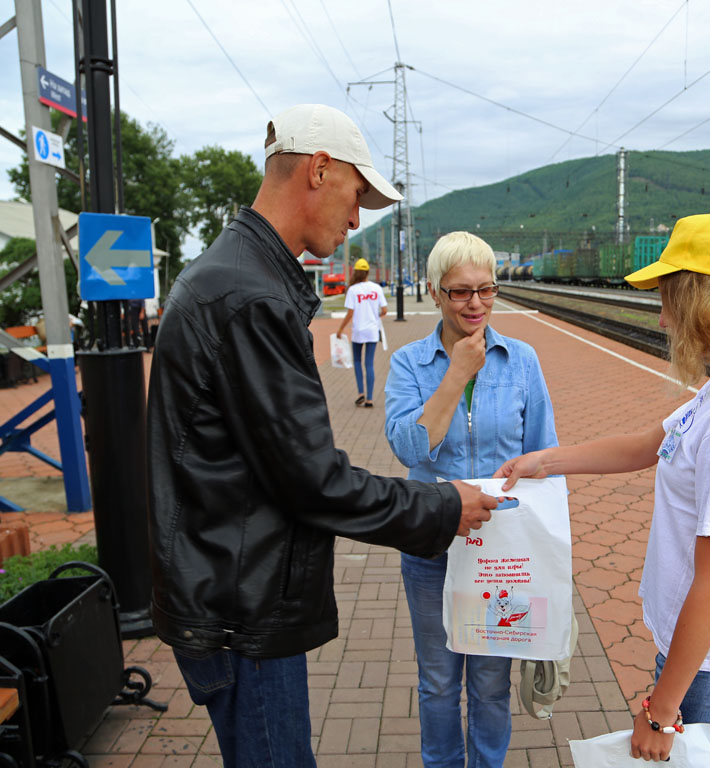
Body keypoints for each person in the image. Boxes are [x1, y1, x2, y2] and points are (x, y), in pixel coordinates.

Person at [147, 105, 498, 768]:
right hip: (242, 612)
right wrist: (444, 506)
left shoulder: (236, 275)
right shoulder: (249, 295)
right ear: (318, 170)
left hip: (232, 589)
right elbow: (313, 480)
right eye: (356, 195)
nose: (358, 218)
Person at [497, 212, 710, 764]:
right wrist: (545, 461)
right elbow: (643, 445)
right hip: (705, 651)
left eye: (671, 302)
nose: (662, 320)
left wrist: (660, 710)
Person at [385, 231, 559, 768]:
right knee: (438, 681)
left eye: (487, 289)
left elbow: (544, 456)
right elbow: (409, 446)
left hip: (501, 553)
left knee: (488, 683)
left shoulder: (522, 360)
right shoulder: (411, 364)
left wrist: (548, 552)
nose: (476, 304)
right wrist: (457, 372)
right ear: (435, 292)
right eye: (460, 292)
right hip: (432, 543)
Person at [335, 257, 387, 406]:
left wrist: (340, 329)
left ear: (355, 272)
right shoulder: (376, 288)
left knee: (357, 362)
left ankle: (361, 393)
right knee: (369, 364)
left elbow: (350, 313)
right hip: (372, 331)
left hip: (358, 331)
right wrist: (375, 317)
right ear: (368, 272)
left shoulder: (353, 290)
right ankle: (370, 398)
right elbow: (384, 310)